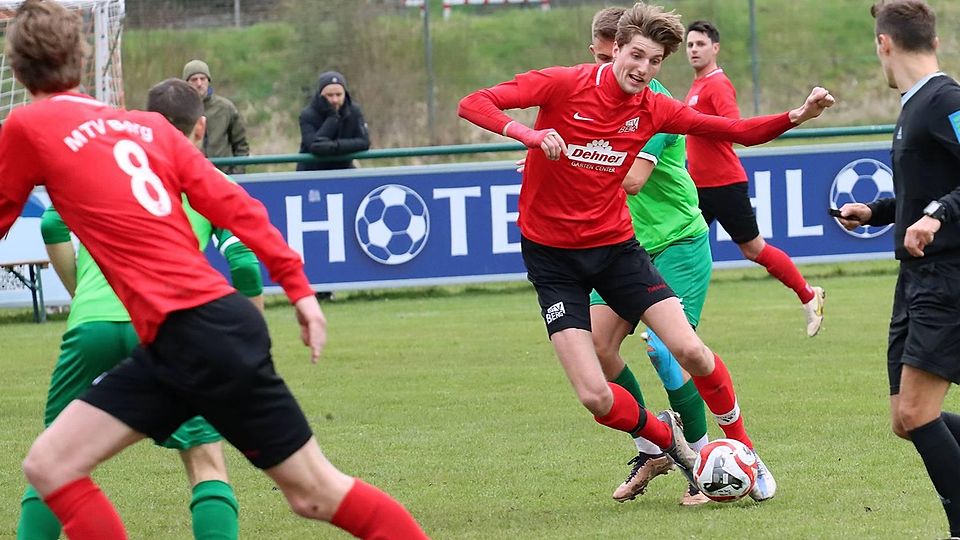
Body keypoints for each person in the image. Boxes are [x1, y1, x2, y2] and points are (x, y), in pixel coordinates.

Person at [0, 2, 427, 539]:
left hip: (192, 334)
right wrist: (299, 289)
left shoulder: (26, 123)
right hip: (199, 332)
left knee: (54, 466)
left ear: (15, 70)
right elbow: (237, 206)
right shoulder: (148, 127)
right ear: (83, 63)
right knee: (312, 493)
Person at [459, 0, 833, 501]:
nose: (643, 69)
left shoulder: (654, 108)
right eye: (636, 55)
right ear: (613, 48)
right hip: (552, 259)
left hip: (617, 249)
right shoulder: (563, 83)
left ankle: (743, 449)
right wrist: (529, 133)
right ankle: (672, 447)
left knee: (688, 350)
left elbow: (736, 132)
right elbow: (474, 102)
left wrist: (797, 114)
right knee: (594, 394)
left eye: (655, 61)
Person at [16, 78, 266, 540]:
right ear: (201, 126)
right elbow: (246, 265)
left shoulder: (102, 167)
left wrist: (82, 290)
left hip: (93, 323)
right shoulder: (207, 178)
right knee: (206, 460)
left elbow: (51, 220)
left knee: (52, 461)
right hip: (172, 327)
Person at [837, 1, 960, 537]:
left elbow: (943, 200)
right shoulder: (914, 105)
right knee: (905, 421)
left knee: (917, 414)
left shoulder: (946, 100)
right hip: (914, 279)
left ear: (884, 44)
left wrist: (936, 216)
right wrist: (880, 212)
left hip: (947, 277)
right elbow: (928, 190)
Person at [586, 5, 711, 507]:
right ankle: (654, 445)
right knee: (596, 349)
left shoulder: (656, 106)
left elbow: (633, 180)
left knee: (667, 351)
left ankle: (704, 465)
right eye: (597, 59)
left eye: (606, 57)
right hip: (623, 248)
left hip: (677, 241)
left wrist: (573, 164)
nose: (607, 72)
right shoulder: (595, 101)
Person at [683, 20, 826, 337]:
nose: (693, 49)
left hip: (723, 184)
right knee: (680, 244)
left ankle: (808, 294)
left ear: (715, 48)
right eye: (690, 45)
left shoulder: (717, 84)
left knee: (753, 249)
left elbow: (734, 128)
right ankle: (674, 321)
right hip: (699, 185)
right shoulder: (697, 85)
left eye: (700, 44)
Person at [183, 59, 249, 175]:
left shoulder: (225, 108)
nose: (199, 84)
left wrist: (237, 174)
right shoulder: (179, 110)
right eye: (194, 79)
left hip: (224, 176)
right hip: (192, 177)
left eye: (202, 79)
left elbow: (241, 144)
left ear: (208, 81)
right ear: (186, 83)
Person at [297, 71, 370, 171]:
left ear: (345, 94)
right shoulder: (307, 114)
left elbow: (364, 142)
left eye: (339, 95)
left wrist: (334, 146)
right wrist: (332, 118)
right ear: (320, 95)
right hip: (311, 173)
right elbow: (315, 147)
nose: (335, 100)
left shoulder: (354, 111)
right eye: (329, 95)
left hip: (344, 171)